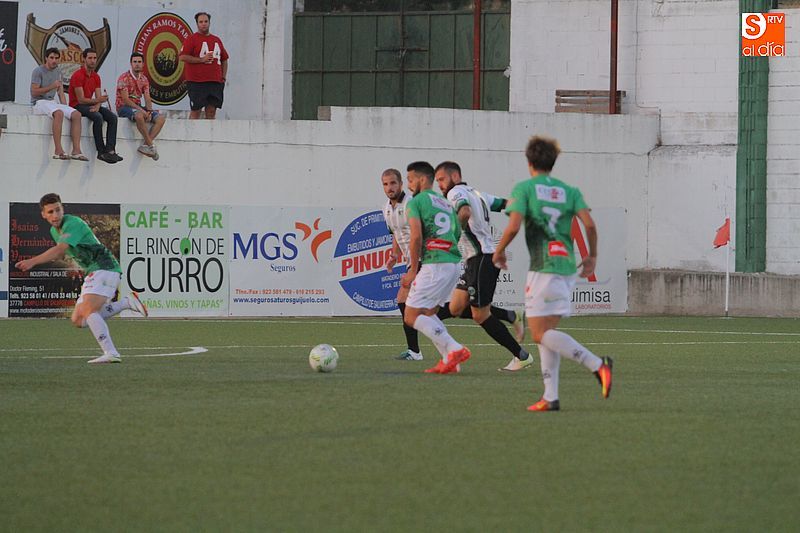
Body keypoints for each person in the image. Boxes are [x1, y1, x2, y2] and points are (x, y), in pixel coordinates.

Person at [492, 136, 613, 411]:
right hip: (566, 266)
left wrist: (498, 251)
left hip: (543, 267)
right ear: (553, 162)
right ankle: (550, 397)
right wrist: (592, 256)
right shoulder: (569, 191)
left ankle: (598, 365)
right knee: (546, 332)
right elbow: (590, 225)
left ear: (529, 162)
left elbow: (513, 226)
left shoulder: (524, 188)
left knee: (539, 334)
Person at [14, 193, 148, 364]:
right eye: (50, 212)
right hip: (93, 271)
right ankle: (126, 303)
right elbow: (60, 253)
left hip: (104, 267)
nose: (55, 215)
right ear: (43, 214)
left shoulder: (73, 223)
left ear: (63, 209)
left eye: (58, 210)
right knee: (79, 320)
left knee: (87, 310)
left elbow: (60, 250)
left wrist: (32, 261)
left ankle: (111, 352)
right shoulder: (54, 231)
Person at [433, 161, 533, 372]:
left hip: (481, 258)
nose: (439, 184)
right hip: (477, 259)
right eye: (437, 181)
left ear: (455, 176)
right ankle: (510, 315)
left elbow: (464, 212)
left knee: (480, 315)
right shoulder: (478, 194)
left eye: (442, 179)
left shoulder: (455, 193)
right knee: (456, 307)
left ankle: (521, 355)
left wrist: (452, 238)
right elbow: (507, 203)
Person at [402, 161, 470, 374]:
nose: (408, 185)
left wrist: (413, 270)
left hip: (435, 264)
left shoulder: (416, 202)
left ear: (422, 179)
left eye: (410, 180)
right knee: (429, 312)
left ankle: (454, 348)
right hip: (452, 262)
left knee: (411, 316)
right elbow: (457, 231)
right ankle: (450, 361)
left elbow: (415, 236)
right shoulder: (446, 202)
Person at [382, 168, 423, 361]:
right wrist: (394, 255)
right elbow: (397, 234)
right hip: (412, 261)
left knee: (407, 302)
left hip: (424, 258)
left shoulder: (410, 204)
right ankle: (414, 351)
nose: (389, 188)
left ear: (400, 184)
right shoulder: (386, 209)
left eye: (393, 183)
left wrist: (414, 268)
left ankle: (415, 351)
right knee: (407, 303)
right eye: (385, 184)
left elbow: (417, 235)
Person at [30, 47, 88, 161]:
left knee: (76, 114)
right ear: (46, 58)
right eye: (51, 58)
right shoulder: (38, 71)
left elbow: (60, 92)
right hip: (38, 102)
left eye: (56, 58)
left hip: (52, 101)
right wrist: (51, 86)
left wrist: (66, 107)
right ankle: (58, 150)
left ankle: (76, 150)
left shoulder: (58, 71)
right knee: (59, 113)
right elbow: (34, 92)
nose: (54, 60)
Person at [69, 48, 122, 164]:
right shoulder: (78, 75)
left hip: (90, 103)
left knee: (112, 117)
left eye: (94, 58)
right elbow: (81, 99)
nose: (93, 61)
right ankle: (101, 151)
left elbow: (98, 97)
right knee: (98, 117)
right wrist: (98, 102)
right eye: (90, 58)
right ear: (84, 59)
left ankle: (110, 150)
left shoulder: (96, 76)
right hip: (77, 105)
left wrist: (98, 105)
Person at [116, 52, 166, 161]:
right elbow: (125, 100)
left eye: (139, 62)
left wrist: (149, 111)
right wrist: (142, 111)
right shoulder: (123, 78)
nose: (137, 64)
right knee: (139, 116)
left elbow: (147, 97)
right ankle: (151, 145)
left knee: (161, 118)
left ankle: (146, 145)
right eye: (135, 62)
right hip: (123, 107)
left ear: (143, 64)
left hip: (137, 106)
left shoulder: (144, 79)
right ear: (131, 63)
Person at [179, 12, 229, 119]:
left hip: (215, 82)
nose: (203, 24)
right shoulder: (192, 39)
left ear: (209, 23)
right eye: (201, 22)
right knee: (196, 110)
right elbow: (182, 57)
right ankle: (192, 130)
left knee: (211, 111)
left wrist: (223, 77)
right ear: (197, 24)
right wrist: (202, 59)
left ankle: (210, 130)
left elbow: (224, 59)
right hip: (197, 82)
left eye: (206, 21)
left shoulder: (216, 40)